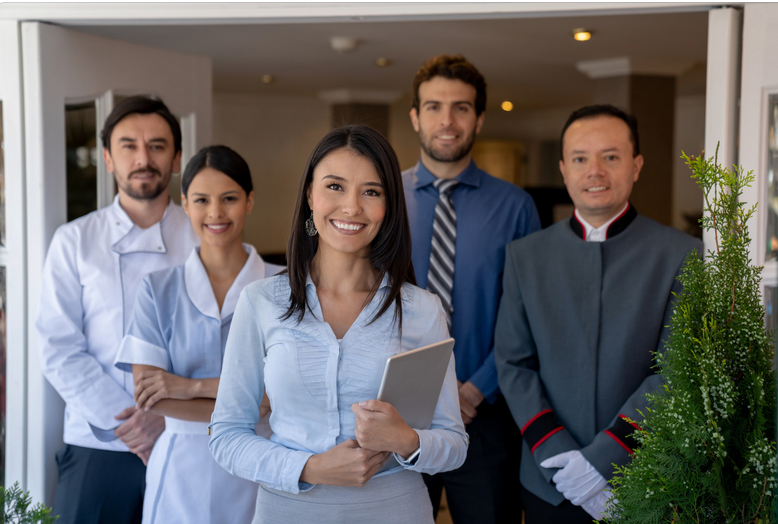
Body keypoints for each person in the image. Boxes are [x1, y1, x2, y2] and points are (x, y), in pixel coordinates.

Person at [209, 125, 468, 524]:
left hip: (396, 509)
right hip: (286, 511)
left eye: (371, 191)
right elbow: (226, 437)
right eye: (334, 186)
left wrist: (407, 440)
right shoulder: (260, 302)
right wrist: (309, 468)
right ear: (310, 196)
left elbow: (454, 443)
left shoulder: (423, 310)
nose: (351, 207)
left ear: (388, 207)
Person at [494, 105, 704, 523]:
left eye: (611, 157)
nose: (595, 171)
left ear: (636, 165)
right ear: (563, 169)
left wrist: (605, 459)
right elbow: (514, 365)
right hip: (549, 478)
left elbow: (675, 371)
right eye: (580, 158)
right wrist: (562, 457)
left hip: (644, 476)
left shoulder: (681, 254)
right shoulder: (526, 257)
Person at [37, 96, 198, 524]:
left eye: (158, 146)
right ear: (107, 159)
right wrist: (131, 423)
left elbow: (223, 346)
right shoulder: (74, 240)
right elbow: (58, 347)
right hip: (99, 444)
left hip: (188, 439)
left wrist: (164, 418)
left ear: (177, 158)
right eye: (128, 146)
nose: (143, 158)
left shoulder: (205, 239)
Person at [402, 54, 540, 523]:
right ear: (416, 117)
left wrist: (473, 391)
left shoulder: (517, 207)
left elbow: (523, 316)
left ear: (479, 118)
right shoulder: (380, 199)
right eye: (434, 106)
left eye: (461, 107)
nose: (447, 120)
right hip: (399, 411)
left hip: (486, 415)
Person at [113, 145, 282, 524]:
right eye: (202, 200)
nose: (216, 213)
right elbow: (150, 399)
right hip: (180, 469)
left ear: (249, 201)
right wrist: (248, 402)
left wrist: (186, 387)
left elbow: (278, 396)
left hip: (261, 463)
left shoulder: (284, 287)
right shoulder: (158, 290)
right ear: (185, 204)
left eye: (229, 199)